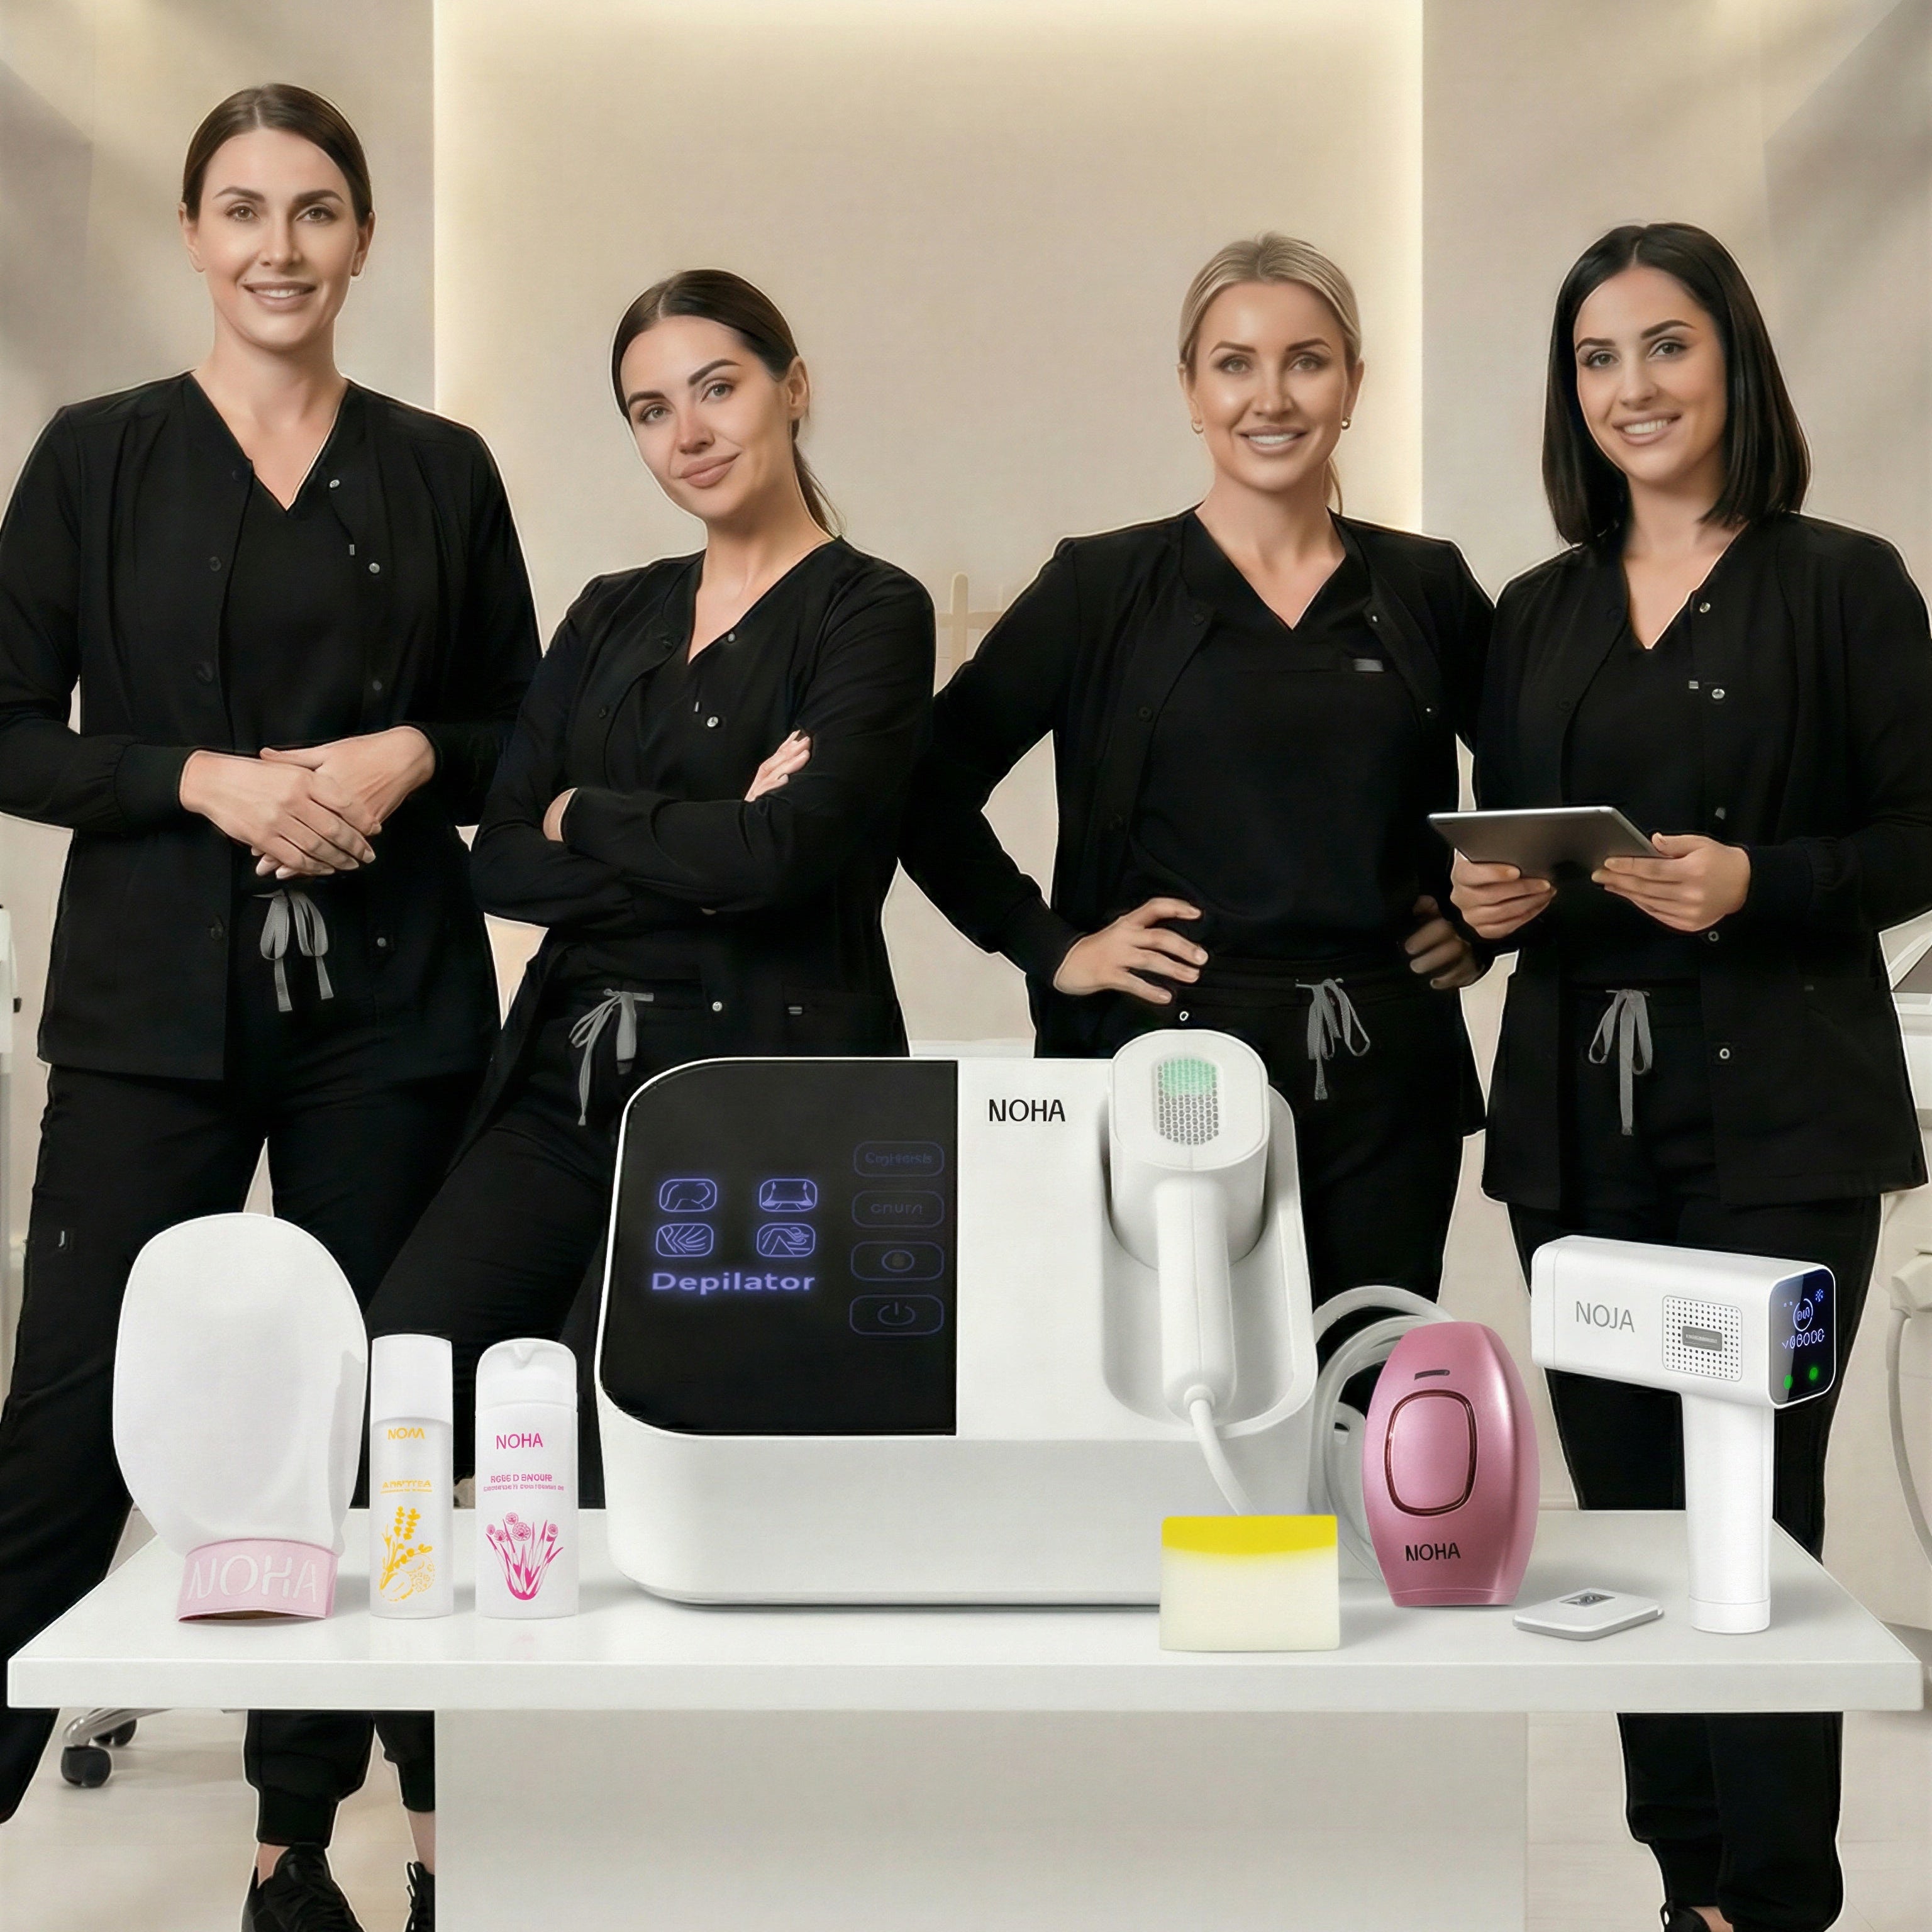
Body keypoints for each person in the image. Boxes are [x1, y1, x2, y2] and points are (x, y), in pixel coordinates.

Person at [0, 84, 538, 1932]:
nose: (279, 247)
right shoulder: (94, 458)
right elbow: (6, 727)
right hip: (147, 1017)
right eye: (242, 210)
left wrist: (408, 751)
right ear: (192, 235)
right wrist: (199, 780)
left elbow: (521, 738)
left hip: (391, 1018)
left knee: (385, 1425)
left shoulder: (442, 469)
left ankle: (322, 1846)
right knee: (64, 1424)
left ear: (364, 238)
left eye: (315, 211)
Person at [357, 263, 933, 1838]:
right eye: (649, 408)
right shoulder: (613, 608)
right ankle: (447, 1819)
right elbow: (499, 859)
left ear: (795, 386)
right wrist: (699, 831)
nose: (688, 432)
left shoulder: (871, 610)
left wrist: (588, 814)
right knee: (403, 1382)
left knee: (605, 1456)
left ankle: (614, 1837)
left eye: (718, 387)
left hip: (745, 1113)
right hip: (566, 1078)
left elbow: (792, 861)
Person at [1452, 222, 1932, 1932]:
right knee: (1634, 1526)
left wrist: (1760, 882)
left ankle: (1778, 1899)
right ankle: (1689, 1886)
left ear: (1733, 359)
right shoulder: (1537, 612)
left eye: (1666, 346)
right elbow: (1512, 841)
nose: (1632, 387)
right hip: (1578, 1130)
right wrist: (1486, 906)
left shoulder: (1844, 583)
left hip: (1782, 1123)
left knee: (1761, 1517)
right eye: (1598, 358)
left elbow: (1920, 833)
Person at [902, 233, 1489, 1319]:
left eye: (1307, 361)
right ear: (1190, 390)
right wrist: (1051, 946)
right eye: (1234, 364)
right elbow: (920, 785)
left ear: (1354, 384)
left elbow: (1546, 778)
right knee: (1182, 1388)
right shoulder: (1102, 586)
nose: (1271, 397)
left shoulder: (1427, 586)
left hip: (1386, 1076)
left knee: (1364, 1390)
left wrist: (1481, 923)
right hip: (1166, 1064)